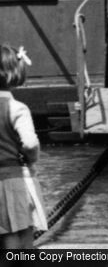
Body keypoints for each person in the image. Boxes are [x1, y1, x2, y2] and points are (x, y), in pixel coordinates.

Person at [0, 45, 46, 250]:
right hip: (17, 178)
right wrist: (32, 157)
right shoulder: (17, 108)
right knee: (24, 232)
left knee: (5, 232)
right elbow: (30, 143)